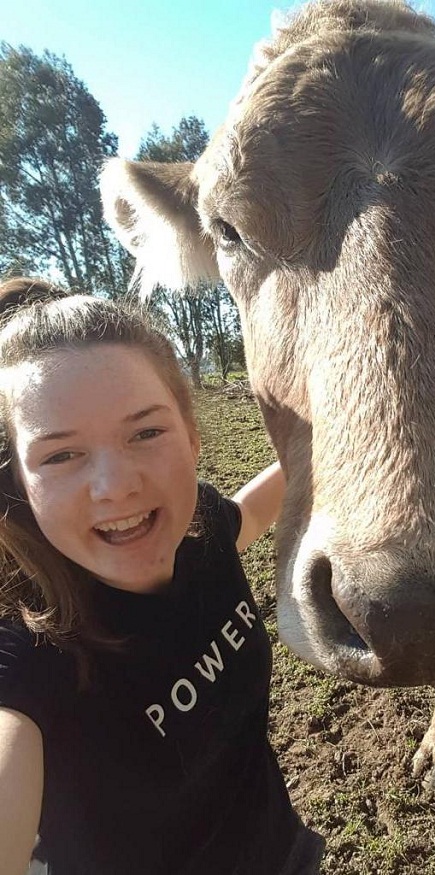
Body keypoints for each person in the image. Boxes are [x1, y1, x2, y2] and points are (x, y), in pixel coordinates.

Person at [0, 278, 324, 875]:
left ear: (193, 437)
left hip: (287, 855)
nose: (116, 486)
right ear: (19, 481)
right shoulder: (26, 663)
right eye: (61, 455)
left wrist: (326, 432)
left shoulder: (198, 530)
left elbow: (248, 516)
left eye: (146, 432)